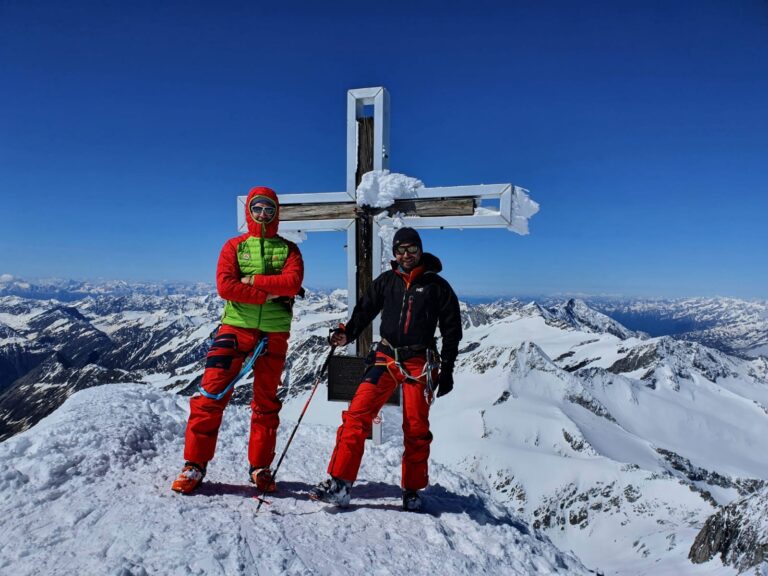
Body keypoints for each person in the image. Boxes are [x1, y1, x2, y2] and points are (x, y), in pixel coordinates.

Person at [310, 227, 462, 511]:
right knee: (356, 416)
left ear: (420, 250)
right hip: (386, 357)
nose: (406, 255)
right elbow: (364, 311)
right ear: (394, 253)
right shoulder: (386, 282)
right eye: (400, 250)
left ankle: (412, 489)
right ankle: (340, 484)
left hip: (419, 362)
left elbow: (452, 330)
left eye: (411, 249)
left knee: (416, 428)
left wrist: (449, 368)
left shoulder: (438, 287)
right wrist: (347, 334)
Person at [171, 186, 304, 495]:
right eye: (257, 208)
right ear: (249, 211)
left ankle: (260, 467)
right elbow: (226, 287)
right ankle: (194, 463)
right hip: (234, 329)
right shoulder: (233, 246)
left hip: (274, 333)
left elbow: (293, 282)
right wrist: (271, 293)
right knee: (211, 394)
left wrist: (252, 281)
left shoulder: (289, 250)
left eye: (268, 209)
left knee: (266, 404)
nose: (262, 214)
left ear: (276, 212)